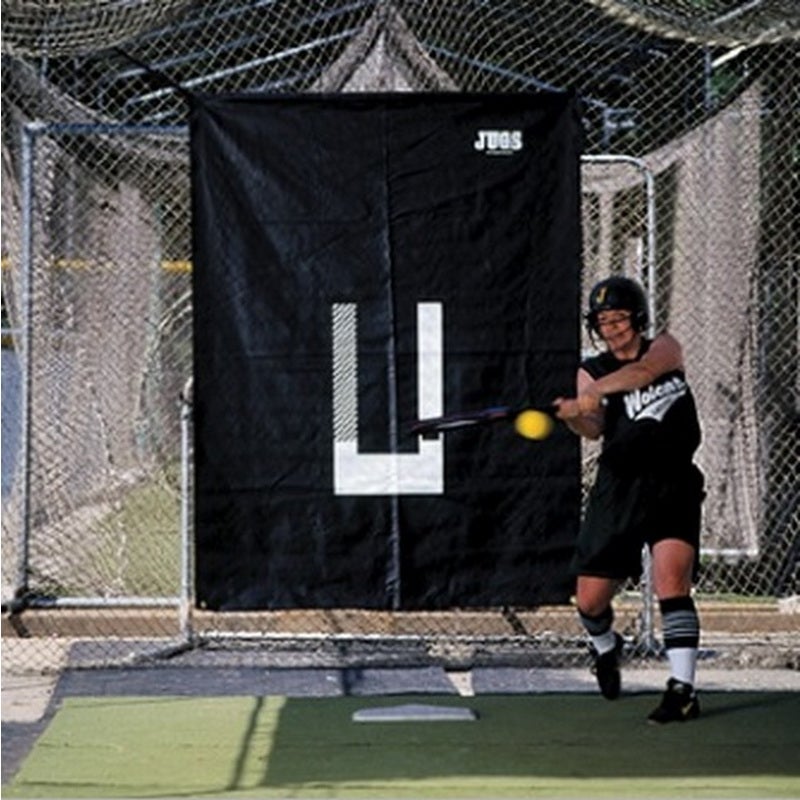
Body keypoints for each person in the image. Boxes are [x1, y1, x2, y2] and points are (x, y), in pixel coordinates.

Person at [554, 275, 705, 724]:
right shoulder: (591, 370)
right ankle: (605, 646)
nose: (613, 328)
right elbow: (595, 428)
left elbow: (642, 374)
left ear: (636, 317)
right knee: (590, 601)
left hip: (672, 482)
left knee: (671, 583)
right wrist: (574, 417)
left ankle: (683, 690)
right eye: (604, 321)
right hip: (620, 488)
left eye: (619, 318)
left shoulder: (664, 348)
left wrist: (595, 392)